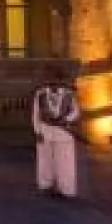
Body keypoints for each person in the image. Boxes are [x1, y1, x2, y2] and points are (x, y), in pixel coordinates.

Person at [31, 64, 84, 199]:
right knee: (45, 161)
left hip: (63, 133)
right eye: (49, 78)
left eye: (54, 78)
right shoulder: (40, 93)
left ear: (59, 79)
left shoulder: (68, 93)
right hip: (45, 131)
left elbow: (76, 112)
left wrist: (65, 119)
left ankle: (66, 189)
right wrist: (37, 131)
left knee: (65, 162)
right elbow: (35, 114)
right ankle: (46, 185)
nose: (52, 82)